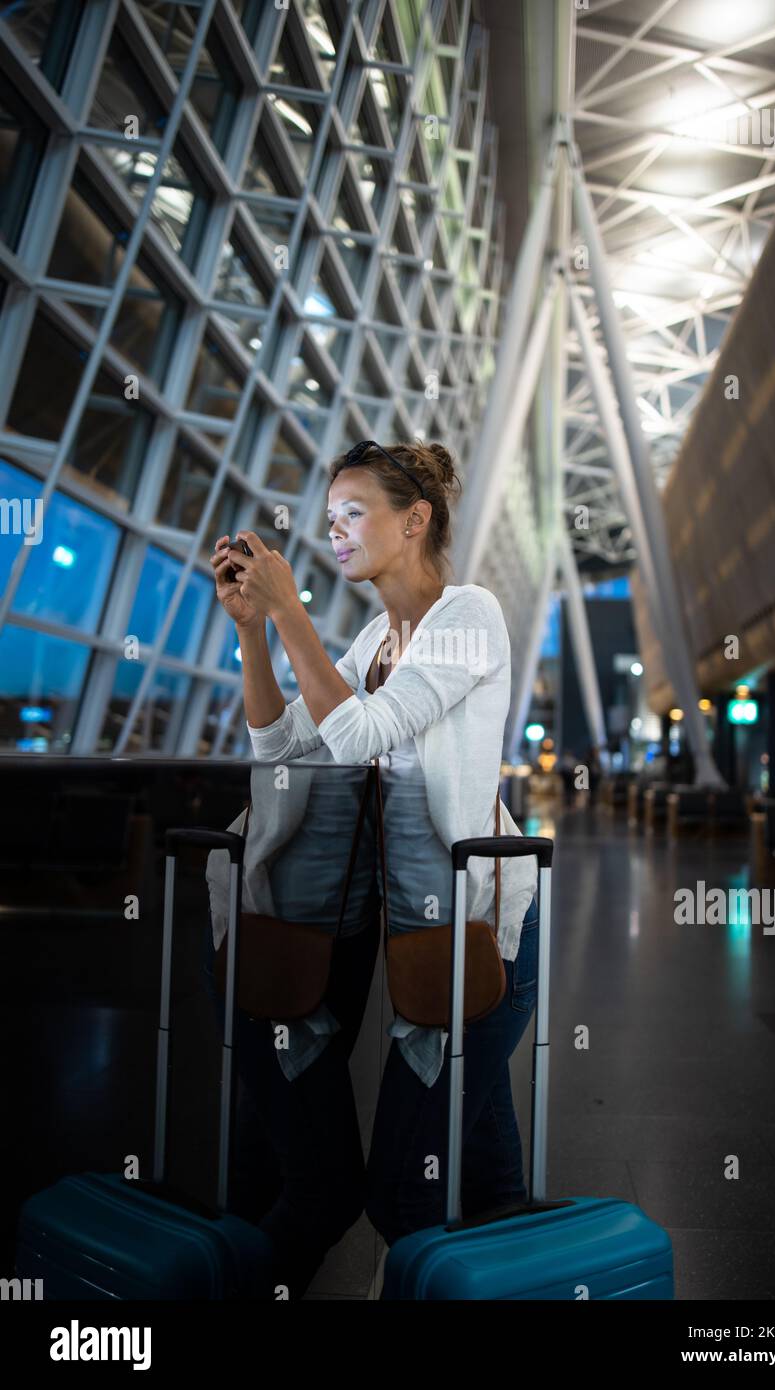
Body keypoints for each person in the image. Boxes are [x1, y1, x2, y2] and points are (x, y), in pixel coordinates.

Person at [207, 439, 539, 1296]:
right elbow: (289, 750)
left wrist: (288, 613)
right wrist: (253, 634)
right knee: (489, 1183)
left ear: (415, 519)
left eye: (355, 513)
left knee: (403, 1189)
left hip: (481, 939)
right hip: (427, 937)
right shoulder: (375, 639)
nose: (338, 533)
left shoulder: (468, 617)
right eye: (330, 520)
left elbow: (359, 734)